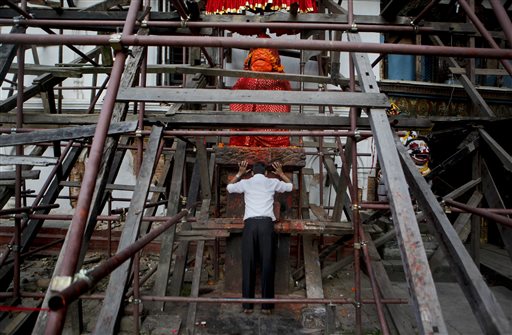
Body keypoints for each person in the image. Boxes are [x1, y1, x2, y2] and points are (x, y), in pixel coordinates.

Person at [226, 160, 293, 315]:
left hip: (250, 226)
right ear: (265, 173)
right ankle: (266, 307)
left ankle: (247, 306)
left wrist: (239, 173)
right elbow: (290, 186)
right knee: (267, 263)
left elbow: (229, 188)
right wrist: (281, 173)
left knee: (248, 264)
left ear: (251, 172)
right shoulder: (272, 182)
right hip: (266, 225)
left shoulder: (246, 182)